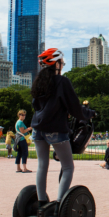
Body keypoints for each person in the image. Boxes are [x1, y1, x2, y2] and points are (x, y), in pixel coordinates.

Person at [31, 48, 86, 204]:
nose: (62, 65)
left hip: (37, 129)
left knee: (42, 164)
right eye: (61, 62)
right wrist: (88, 113)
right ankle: (60, 204)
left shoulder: (38, 83)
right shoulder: (62, 81)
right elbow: (75, 107)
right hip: (55, 130)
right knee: (68, 167)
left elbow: (35, 106)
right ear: (56, 63)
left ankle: (41, 201)